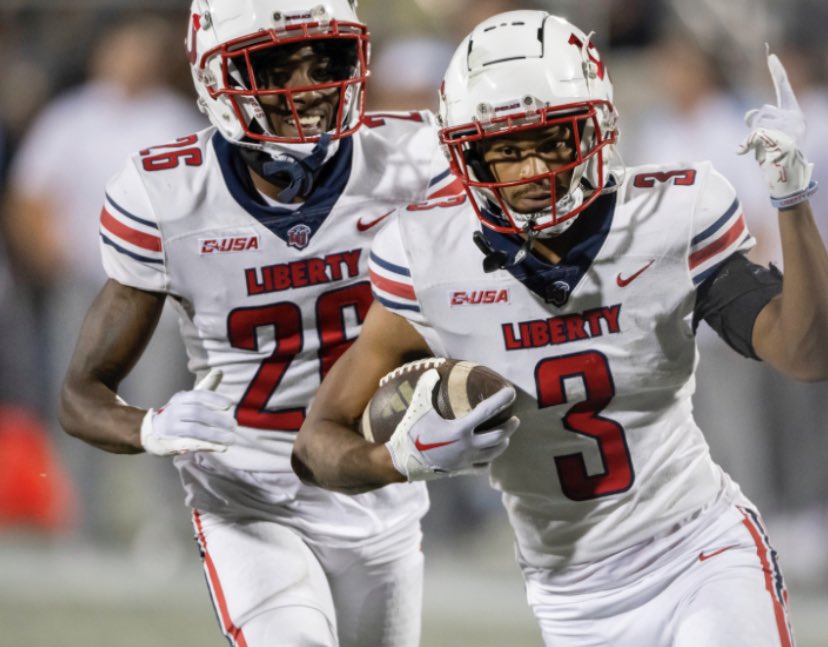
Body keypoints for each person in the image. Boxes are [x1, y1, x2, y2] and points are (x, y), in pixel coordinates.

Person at [293, 10, 828, 646]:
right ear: (466, 152)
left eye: (551, 140)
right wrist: (392, 460)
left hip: (698, 551)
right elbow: (313, 446)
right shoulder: (428, 259)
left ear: (597, 127)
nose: (530, 172)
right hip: (571, 595)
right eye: (506, 150)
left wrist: (794, 203)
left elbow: (807, 353)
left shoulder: (664, 219)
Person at [58, 1, 460, 645]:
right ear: (218, 78)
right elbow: (81, 393)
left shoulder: (417, 161)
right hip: (247, 495)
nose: (310, 88)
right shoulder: (169, 195)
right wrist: (150, 428)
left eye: (325, 59)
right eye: (277, 65)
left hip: (379, 487)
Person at [4, 14, 206, 545]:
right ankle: (79, 525)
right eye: (125, 50)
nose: (133, 62)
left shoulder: (175, 117)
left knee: (159, 402)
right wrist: (52, 261)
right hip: (83, 284)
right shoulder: (70, 118)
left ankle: (164, 528)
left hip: (159, 291)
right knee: (76, 401)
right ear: (103, 55)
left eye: (144, 51)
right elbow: (28, 198)